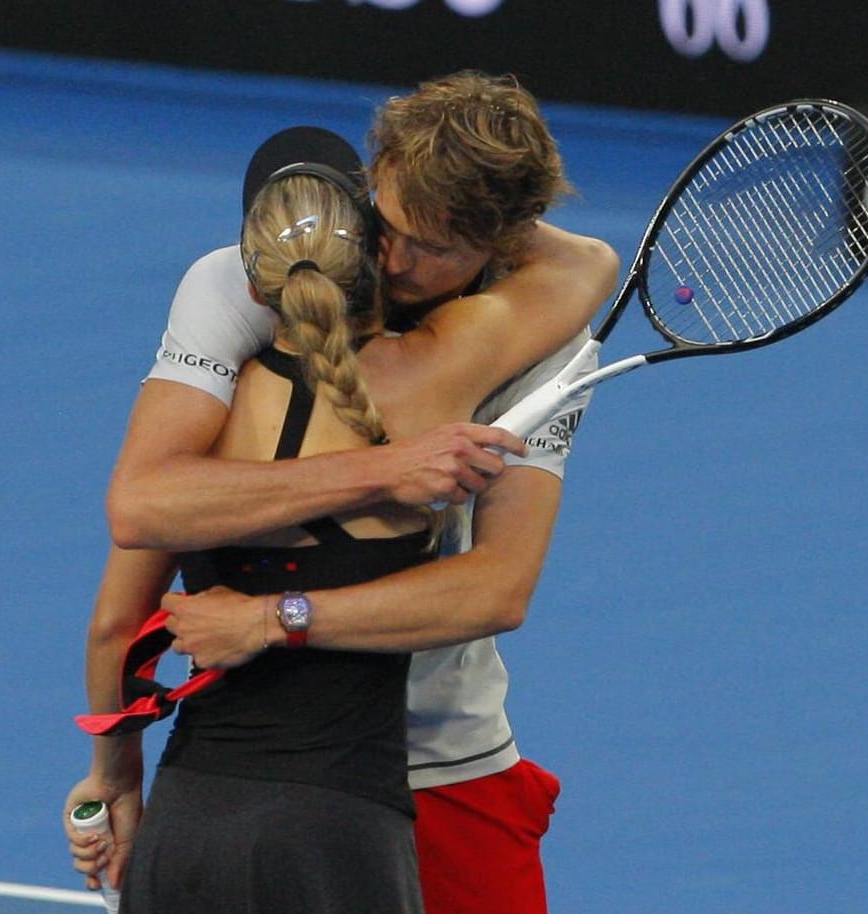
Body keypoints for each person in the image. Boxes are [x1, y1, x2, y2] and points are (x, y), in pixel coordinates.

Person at [66, 71, 619, 914]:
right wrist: (386, 468)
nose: (394, 262)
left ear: (505, 243)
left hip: (443, 760)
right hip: (258, 770)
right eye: (388, 224)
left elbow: (496, 589)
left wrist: (274, 620)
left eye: (436, 247)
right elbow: (144, 509)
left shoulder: (545, 347)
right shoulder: (240, 282)